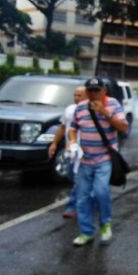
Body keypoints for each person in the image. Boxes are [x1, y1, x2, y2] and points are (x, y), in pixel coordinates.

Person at [68, 78, 129, 246]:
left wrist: (105, 112)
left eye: (97, 90)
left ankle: (105, 224)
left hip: (104, 158)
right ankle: (86, 232)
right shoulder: (80, 107)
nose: (94, 94)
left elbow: (123, 127)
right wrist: (72, 142)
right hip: (85, 159)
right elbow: (73, 128)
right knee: (82, 197)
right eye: (91, 91)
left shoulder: (113, 104)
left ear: (104, 91)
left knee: (101, 191)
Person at [48, 86, 87, 219]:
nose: (76, 97)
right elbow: (62, 127)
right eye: (75, 95)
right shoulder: (69, 109)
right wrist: (54, 143)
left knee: (78, 180)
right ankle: (89, 197)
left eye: (80, 95)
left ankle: (72, 207)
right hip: (70, 151)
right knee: (71, 175)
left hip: (84, 152)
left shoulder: (91, 110)